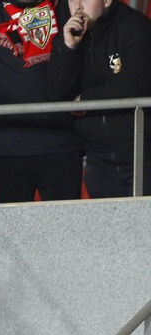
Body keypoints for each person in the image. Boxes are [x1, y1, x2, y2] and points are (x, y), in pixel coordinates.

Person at [0, 2, 84, 203]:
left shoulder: (67, 9)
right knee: (9, 229)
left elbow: (86, 59)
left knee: (65, 228)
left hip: (60, 142)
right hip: (7, 144)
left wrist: (85, 94)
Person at [46, 2, 151, 199]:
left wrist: (86, 100)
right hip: (99, 161)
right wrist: (68, 47)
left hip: (143, 158)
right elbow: (56, 94)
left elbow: (136, 84)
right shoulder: (69, 33)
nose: (77, 6)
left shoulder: (135, 26)